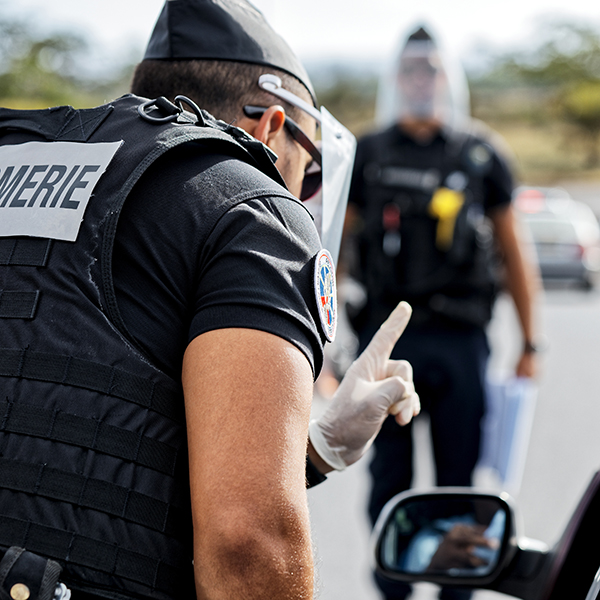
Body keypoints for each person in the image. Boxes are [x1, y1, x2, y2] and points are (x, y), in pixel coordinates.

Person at [0, 2, 419, 600]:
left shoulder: (19, 163)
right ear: (271, 126)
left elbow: (89, 438)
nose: (301, 190)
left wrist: (316, 451)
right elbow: (249, 546)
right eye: (309, 167)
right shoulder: (248, 206)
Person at [346, 24, 539, 600]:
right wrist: (322, 344)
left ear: (447, 76)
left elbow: (514, 251)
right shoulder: (370, 152)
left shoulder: (480, 153)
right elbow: (329, 250)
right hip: (387, 343)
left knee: (460, 478)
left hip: (461, 342)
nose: (421, 79)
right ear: (395, 77)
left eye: (431, 69)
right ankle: (397, 582)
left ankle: (457, 583)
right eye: (411, 69)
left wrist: (532, 345)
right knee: (389, 479)